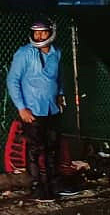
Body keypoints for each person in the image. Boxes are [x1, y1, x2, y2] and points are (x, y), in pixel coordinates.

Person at [6, 20, 80, 202]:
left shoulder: (57, 53)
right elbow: (12, 80)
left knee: (53, 147)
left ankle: (55, 184)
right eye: (36, 33)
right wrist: (21, 108)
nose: (38, 36)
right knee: (35, 149)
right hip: (32, 110)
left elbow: (58, 78)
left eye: (43, 32)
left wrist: (61, 95)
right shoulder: (24, 53)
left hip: (52, 109)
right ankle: (38, 187)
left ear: (50, 33)